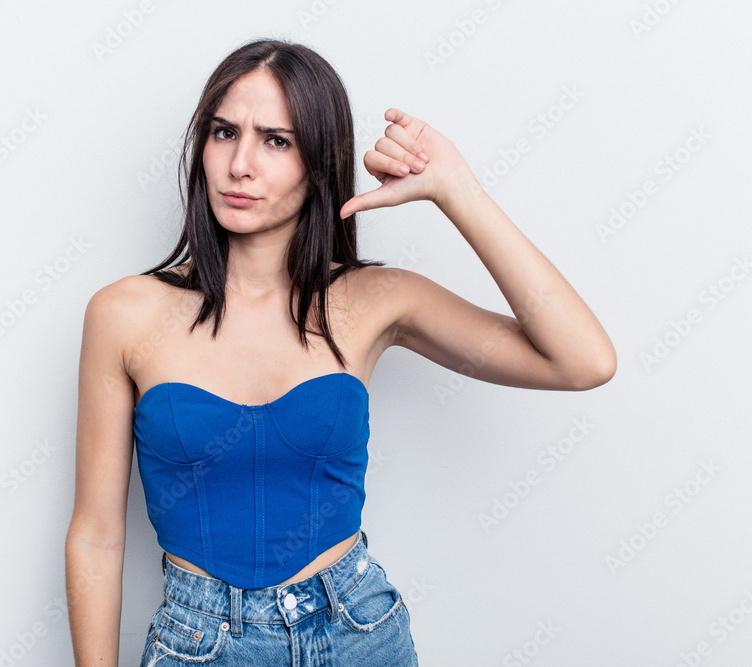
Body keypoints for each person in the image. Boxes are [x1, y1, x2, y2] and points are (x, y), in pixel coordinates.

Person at [65, 38, 616, 667]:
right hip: (202, 643)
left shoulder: (377, 300)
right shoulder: (123, 313)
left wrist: (458, 190)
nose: (239, 164)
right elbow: (97, 536)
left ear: (320, 161)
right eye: (224, 133)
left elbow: (582, 361)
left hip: (360, 628)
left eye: (277, 140)